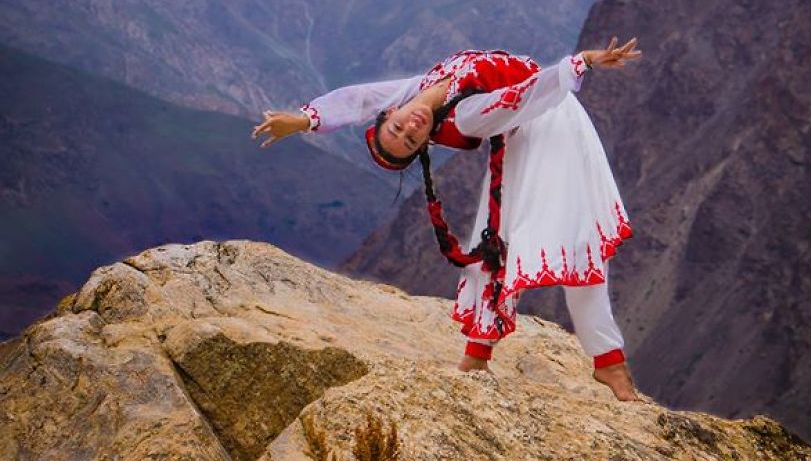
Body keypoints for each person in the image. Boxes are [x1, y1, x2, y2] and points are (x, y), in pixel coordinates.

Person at [252, 38, 641, 400]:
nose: (410, 128)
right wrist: (581, 62)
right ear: (425, 144)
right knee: (528, 242)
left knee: (572, 239)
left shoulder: (415, 94)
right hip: (539, 115)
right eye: (410, 141)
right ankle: (602, 363)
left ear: (391, 114)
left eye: (398, 128)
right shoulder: (467, 118)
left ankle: (585, 360)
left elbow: (360, 99)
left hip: (558, 120)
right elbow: (520, 98)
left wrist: (304, 120)